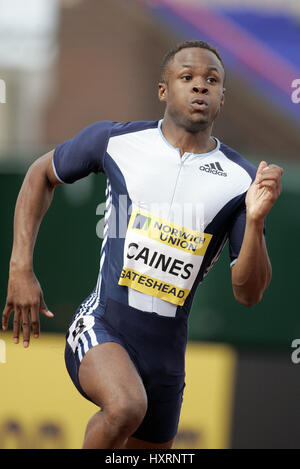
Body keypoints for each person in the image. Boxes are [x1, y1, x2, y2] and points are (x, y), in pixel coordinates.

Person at [2, 40, 283, 449]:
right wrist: (20, 268)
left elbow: (249, 292)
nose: (200, 87)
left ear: (223, 97)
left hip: (166, 357)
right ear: (163, 90)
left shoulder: (242, 182)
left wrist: (255, 221)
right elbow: (38, 175)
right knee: (125, 406)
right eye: (187, 77)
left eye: (212, 80)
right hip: (104, 326)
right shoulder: (117, 142)